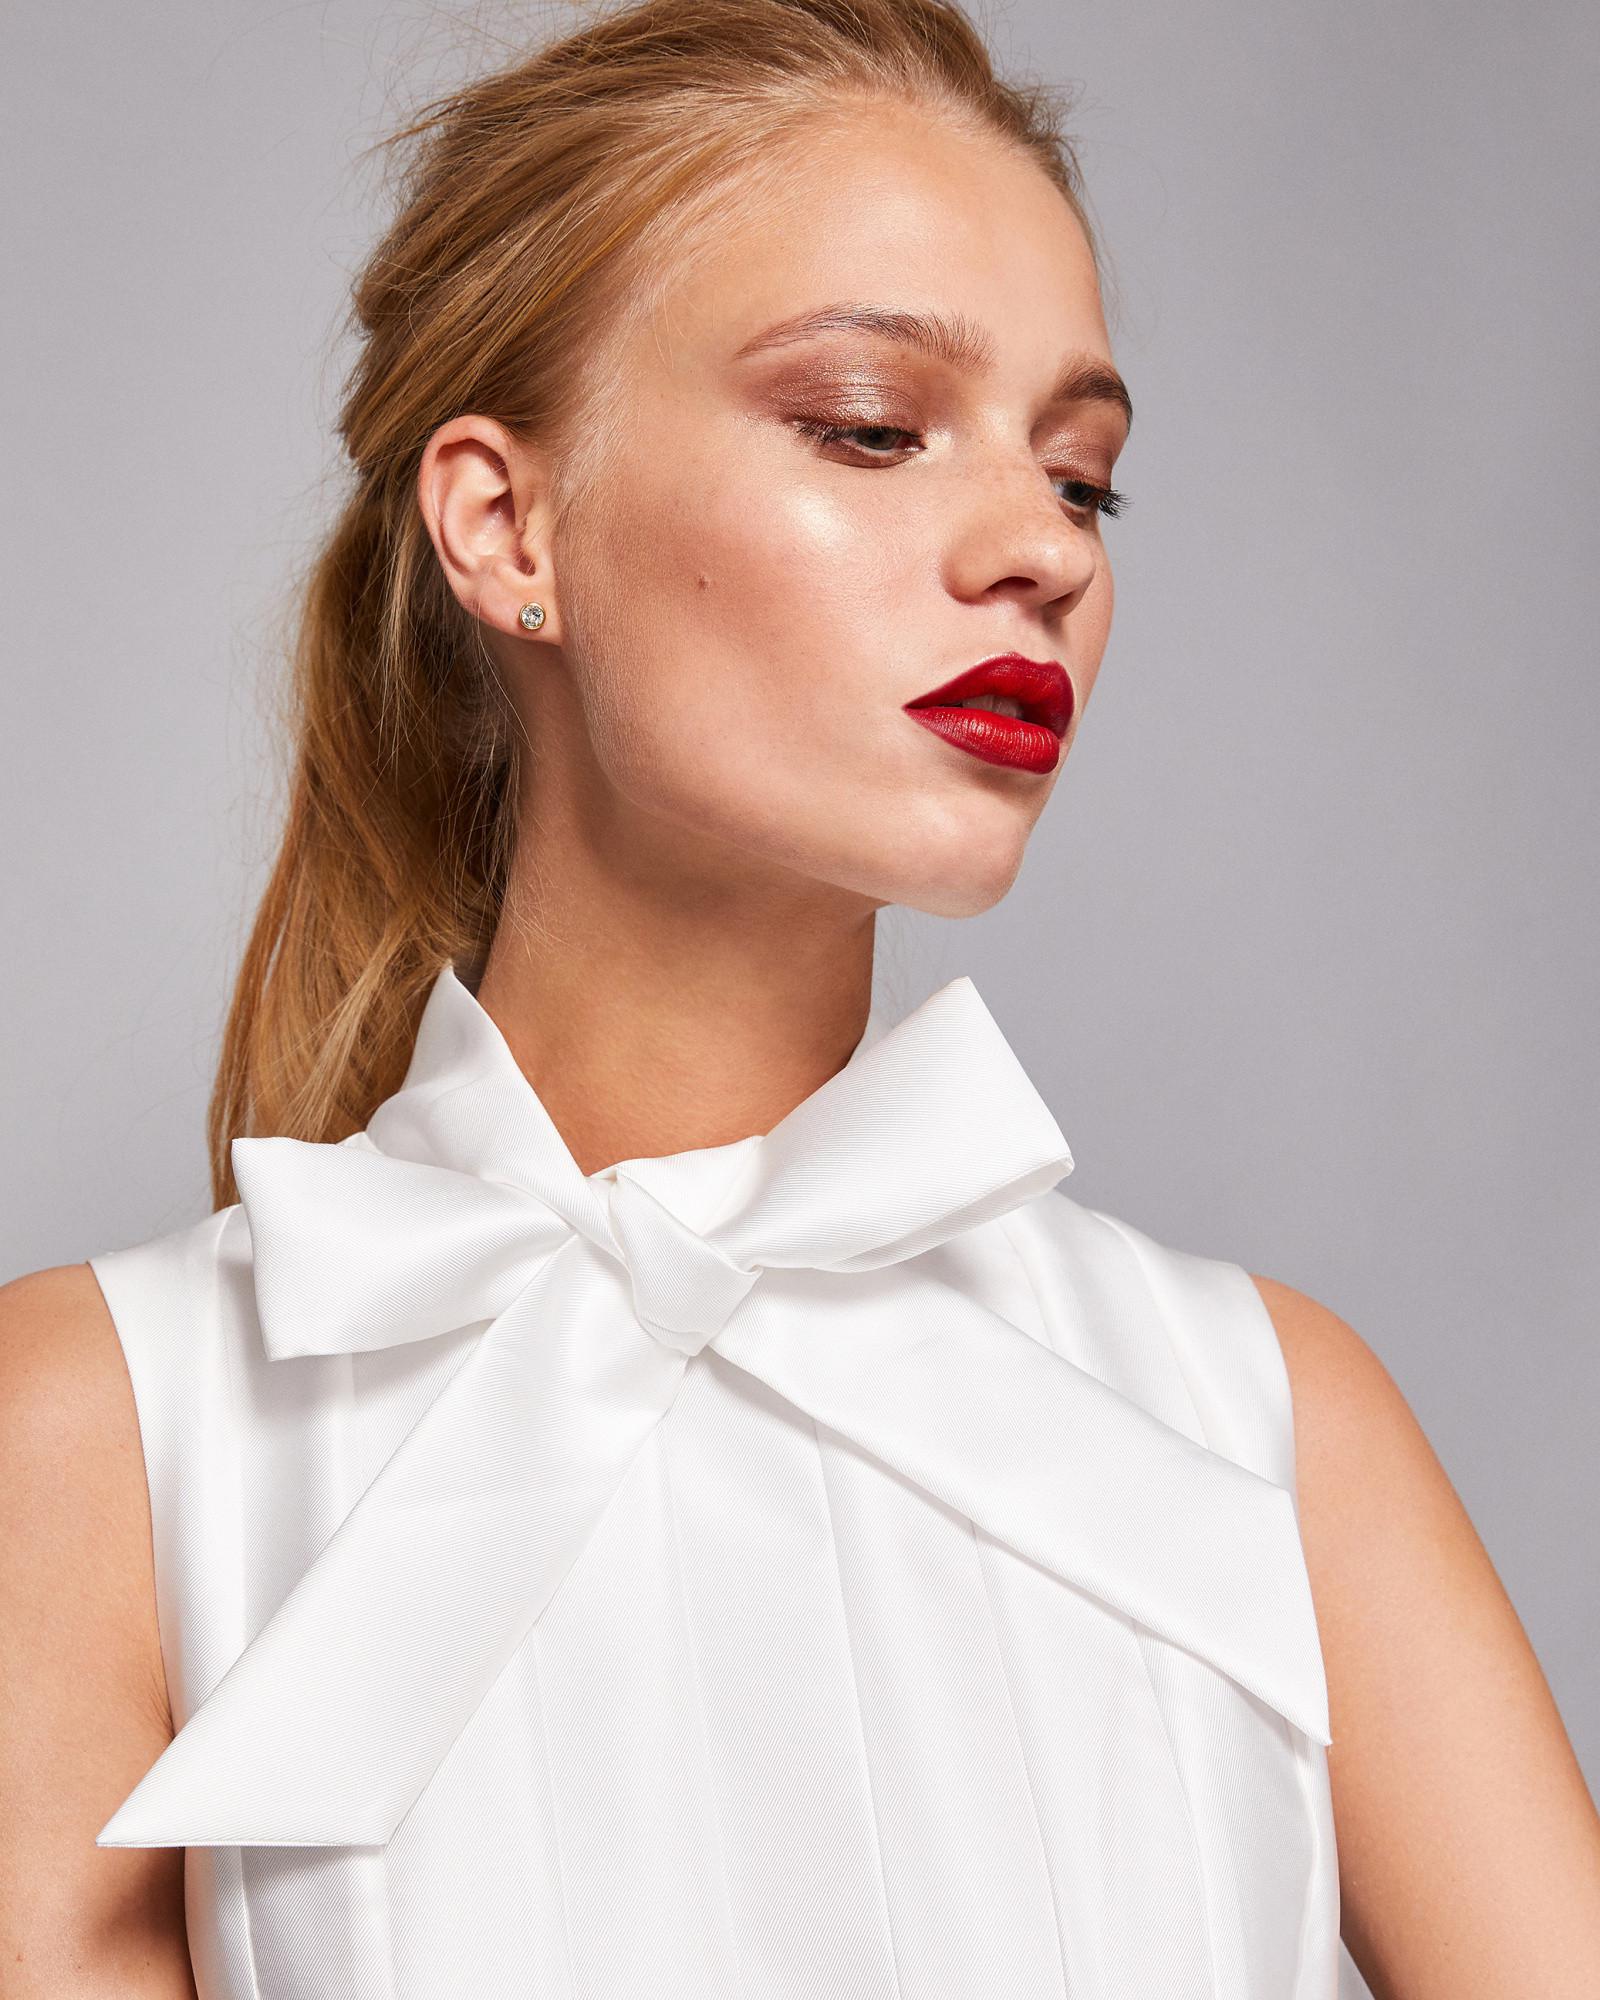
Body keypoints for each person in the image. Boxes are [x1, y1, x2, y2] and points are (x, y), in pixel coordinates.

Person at [5, 0, 1598, 1993]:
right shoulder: (93, 1436)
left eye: (1083, 477)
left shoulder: (1264, 1420)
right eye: (868, 423)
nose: (1039, 550)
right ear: (505, 524)